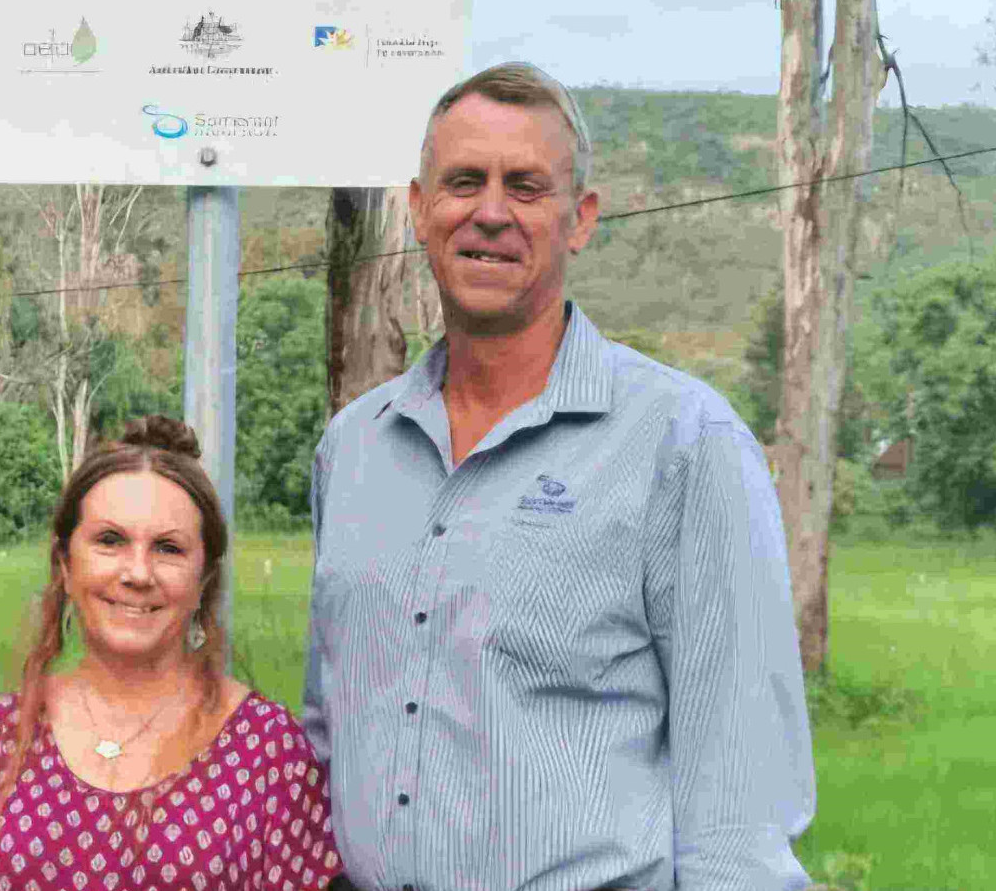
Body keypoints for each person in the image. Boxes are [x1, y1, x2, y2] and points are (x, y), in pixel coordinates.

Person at [303, 63, 814, 891]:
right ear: (419, 208)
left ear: (580, 220)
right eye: (464, 181)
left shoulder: (682, 443)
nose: (492, 212)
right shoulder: (355, 448)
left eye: (527, 186)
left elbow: (740, 799)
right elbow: (331, 726)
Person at [0, 416, 343, 891]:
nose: (138, 572)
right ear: (65, 564)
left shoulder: (269, 752)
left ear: (204, 579)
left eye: (168, 548)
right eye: (110, 541)